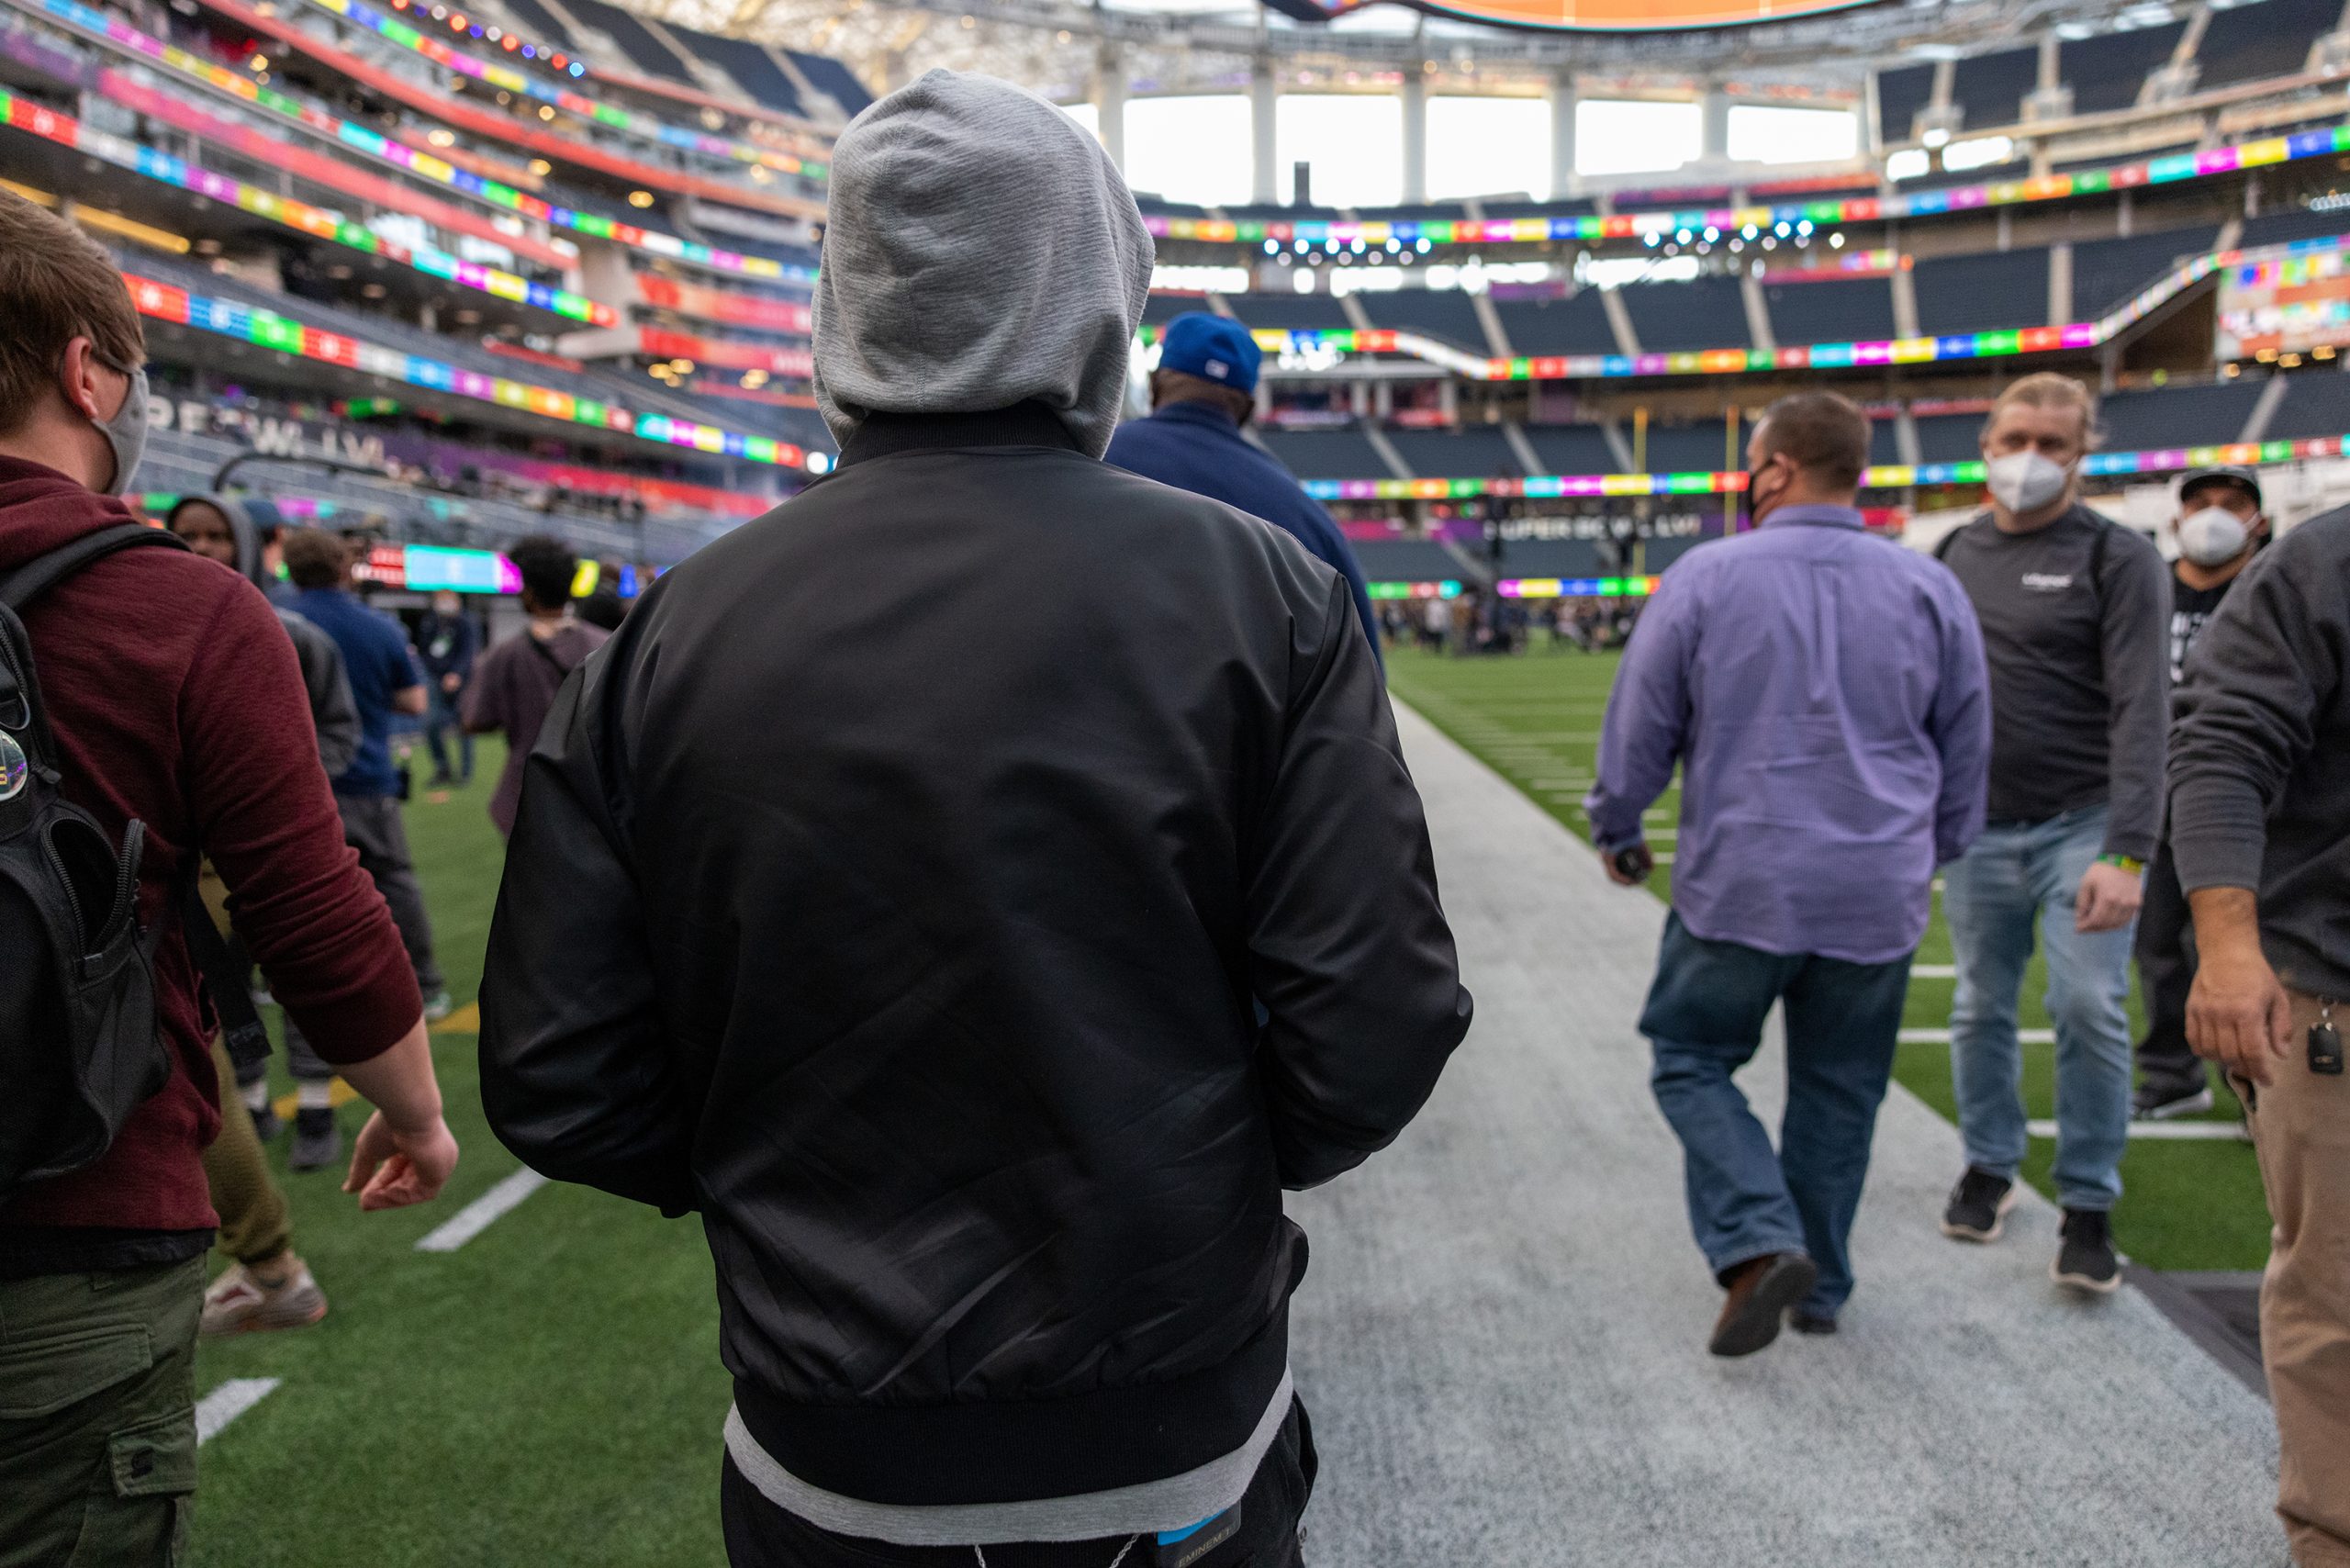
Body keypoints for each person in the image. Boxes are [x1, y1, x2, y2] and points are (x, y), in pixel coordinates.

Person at [477, 72, 1470, 1568]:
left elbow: (558, 1074)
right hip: (1170, 1429)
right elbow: (1378, 1023)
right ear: (1099, 295)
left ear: (841, 303)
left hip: (829, 1443)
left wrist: (774, 1178)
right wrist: (1191, 1177)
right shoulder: (1263, 592)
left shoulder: (673, 634)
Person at [0, 187, 456, 1567]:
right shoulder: (177, 608)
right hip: (68, 1213)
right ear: (87, 368)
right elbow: (310, 909)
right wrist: (417, 1113)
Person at [1588, 390, 1990, 1355]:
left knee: (1689, 1059)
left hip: (1743, 880)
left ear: (1772, 467)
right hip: (1874, 888)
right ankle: (1821, 1285)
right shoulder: (1929, 585)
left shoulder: (1705, 574)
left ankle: (1758, 1238)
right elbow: (1968, 740)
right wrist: (1928, 850)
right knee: (1839, 1089)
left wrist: (1617, 823)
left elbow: (1640, 723)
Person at [1931, 373, 2168, 1294]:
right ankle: (1990, 1164)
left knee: (2086, 1006)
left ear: (2081, 454)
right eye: (2015, 437)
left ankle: (2087, 1200)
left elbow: (2145, 712)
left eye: (2053, 444)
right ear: (1987, 442)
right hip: (1979, 824)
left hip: (2084, 821)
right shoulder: (1954, 548)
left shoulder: (2115, 555)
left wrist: (2127, 849)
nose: (2030, 458)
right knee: (1978, 1005)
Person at [2169, 506, 2350, 1568]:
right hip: (2332, 980)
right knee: (2337, 1280)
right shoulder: (2323, 562)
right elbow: (2225, 744)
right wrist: (2228, 943)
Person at [167, 494, 361, 1327]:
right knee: (204, 1031)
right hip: (179, 867)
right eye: (189, 536)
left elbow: (340, 736)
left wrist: (290, 808)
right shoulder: (155, 616)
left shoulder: (288, 635)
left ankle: (308, 1130)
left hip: (257, 856)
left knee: (249, 1012)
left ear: (253, 546)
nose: (204, 548)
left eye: (218, 536)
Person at [1104, 310, 1381, 662]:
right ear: (1248, 406)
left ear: (1158, 381)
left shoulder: (1091, 457)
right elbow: (1362, 677)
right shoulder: (1307, 516)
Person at [283, 528, 453, 1068]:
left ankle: (290, 998)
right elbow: (413, 701)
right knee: (393, 881)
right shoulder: (377, 626)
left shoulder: (269, 615)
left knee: (292, 901)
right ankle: (425, 984)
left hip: (289, 783)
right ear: (344, 568)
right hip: (365, 777)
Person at [2132, 465, 2270, 1120]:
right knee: (2158, 944)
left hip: (2252, 798)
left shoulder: (2274, 590)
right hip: (2157, 791)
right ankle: (2171, 1073)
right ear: (2177, 519)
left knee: (2258, 947)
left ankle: (2262, 1086)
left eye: (2232, 504)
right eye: (2203, 503)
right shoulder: (2145, 589)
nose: (2214, 516)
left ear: (2258, 522)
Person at [462, 534, 610, 838]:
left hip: (528, 794)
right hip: (598, 795)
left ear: (527, 592)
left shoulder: (504, 655)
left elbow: (474, 720)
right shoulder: (606, 645)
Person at [416, 588, 478, 789]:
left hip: (461, 681)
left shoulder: (465, 622)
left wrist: (456, 674)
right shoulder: (430, 623)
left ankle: (465, 772)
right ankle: (442, 768)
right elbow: (424, 650)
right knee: (431, 723)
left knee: (465, 726)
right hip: (435, 679)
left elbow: (468, 652)